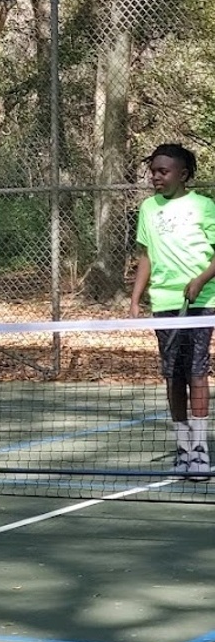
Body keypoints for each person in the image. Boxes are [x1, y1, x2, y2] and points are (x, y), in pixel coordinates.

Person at [130, 143, 215, 480]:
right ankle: (182, 447)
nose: (156, 177)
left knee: (196, 372)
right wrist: (136, 298)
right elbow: (146, 256)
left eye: (163, 171)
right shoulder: (148, 209)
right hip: (164, 303)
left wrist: (200, 280)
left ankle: (200, 451)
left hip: (201, 303)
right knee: (172, 374)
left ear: (183, 174)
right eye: (154, 171)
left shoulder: (204, 206)